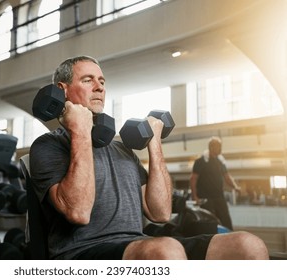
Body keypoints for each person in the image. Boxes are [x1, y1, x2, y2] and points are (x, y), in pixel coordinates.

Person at [29, 55, 268, 260]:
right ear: (62, 90)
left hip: (136, 244)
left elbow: (160, 212)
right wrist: (80, 130)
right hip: (82, 252)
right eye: (88, 80)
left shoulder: (122, 150)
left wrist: (155, 143)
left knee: (248, 246)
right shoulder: (48, 145)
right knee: (167, 251)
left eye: (102, 81)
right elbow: (79, 212)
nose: (100, 87)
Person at [189, 136, 241, 230]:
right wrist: (194, 196)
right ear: (211, 147)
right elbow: (193, 179)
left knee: (226, 221)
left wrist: (235, 187)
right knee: (209, 224)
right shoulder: (200, 161)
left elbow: (227, 176)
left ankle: (229, 240)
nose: (220, 149)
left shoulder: (220, 162)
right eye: (218, 146)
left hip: (219, 197)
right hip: (205, 198)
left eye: (220, 146)